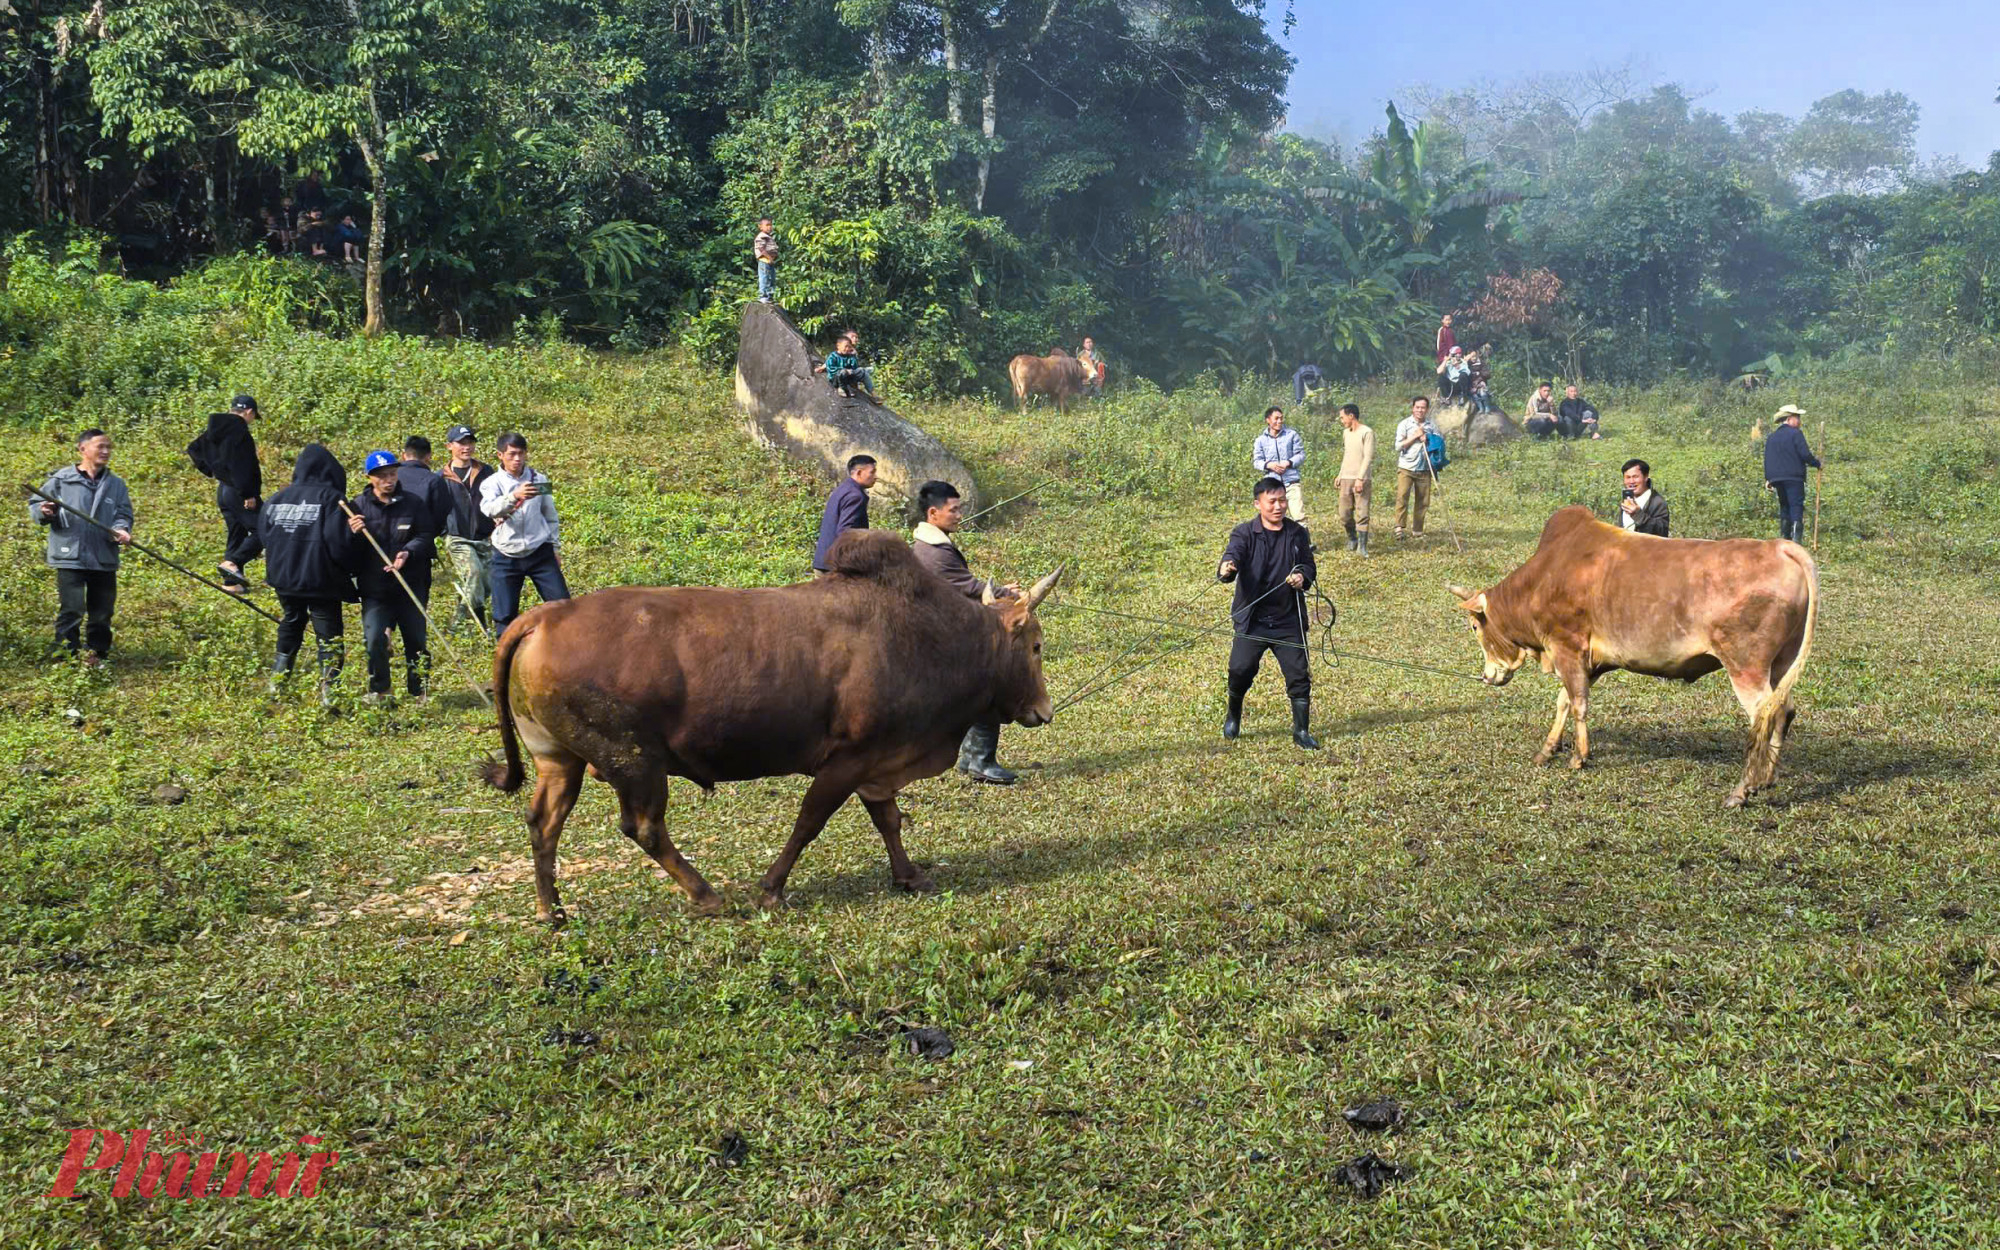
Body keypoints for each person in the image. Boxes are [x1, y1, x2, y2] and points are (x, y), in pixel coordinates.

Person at [910, 480, 1024, 784]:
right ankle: (982, 762)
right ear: (934, 513)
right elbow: (969, 588)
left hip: (937, 633)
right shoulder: (935, 554)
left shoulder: (930, 544)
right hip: (943, 638)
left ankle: (970, 758)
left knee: (973, 697)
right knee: (987, 692)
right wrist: (1006, 594)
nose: (959, 515)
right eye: (954, 510)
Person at [1217, 477, 1319, 750]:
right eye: (1272, 501)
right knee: (1240, 670)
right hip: (1253, 620)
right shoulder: (1244, 533)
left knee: (1299, 675)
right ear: (1258, 504)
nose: (1278, 506)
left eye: (1282, 500)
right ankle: (1233, 716)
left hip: (1288, 620)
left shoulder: (1298, 533)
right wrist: (1228, 567)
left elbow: (1309, 566)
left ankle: (1301, 732)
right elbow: (1232, 556)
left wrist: (1302, 576)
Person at [260, 444, 358, 707]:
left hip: (284, 579)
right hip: (320, 580)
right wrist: (351, 572)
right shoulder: (332, 499)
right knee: (329, 636)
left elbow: (263, 535)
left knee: (291, 621)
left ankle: (277, 683)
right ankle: (330, 694)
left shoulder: (277, 499)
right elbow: (339, 543)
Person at [32, 429, 134, 665]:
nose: (106, 452)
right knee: (72, 609)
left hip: (103, 555)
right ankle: (65, 656)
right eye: (101, 446)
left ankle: (97, 655)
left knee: (102, 611)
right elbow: (37, 505)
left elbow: (123, 513)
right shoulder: (61, 480)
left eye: (109, 447)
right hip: (70, 554)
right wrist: (44, 511)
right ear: (82, 449)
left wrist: (121, 529)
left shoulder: (116, 485)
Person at [349, 450, 436, 705]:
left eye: (393, 474)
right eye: (383, 476)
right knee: (375, 638)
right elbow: (346, 550)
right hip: (375, 588)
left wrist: (407, 552)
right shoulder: (357, 507)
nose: (389, 480)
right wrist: (352, 533)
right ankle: (381, 689)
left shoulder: (413, 503)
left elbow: (425, 535)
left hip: (410, 584)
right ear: (369, 477)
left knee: (416, 639)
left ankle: (418, 690)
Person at [480, 432, 570, 637]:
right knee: (504, 615)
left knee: (563, 606)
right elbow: (490, 510)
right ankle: (506, 659)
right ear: (500, 455)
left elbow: (550, 515)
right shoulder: (491, 483)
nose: (517, 459)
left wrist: (554, 547)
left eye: (520, 453)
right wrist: (514, 496)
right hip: (506, 555)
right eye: (511, 454)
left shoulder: (539, 480)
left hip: (539, 552)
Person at [186, 394, 264, 593]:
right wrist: (248, 493)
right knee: (264, 528)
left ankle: (232, 584)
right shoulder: (239, 431)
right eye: (253, 416)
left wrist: (212, 470)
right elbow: (241, 465)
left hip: (223, 489)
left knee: (237, 531)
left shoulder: (216, 429)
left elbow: (193, 448)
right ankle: (233, 563)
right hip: (238, 490)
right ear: (249, 412)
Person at [438, 424, 496, 634]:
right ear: (449, 446)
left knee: (488, 583)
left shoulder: (486, 471)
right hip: (458, 537)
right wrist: (445, 531)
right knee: (474, 573)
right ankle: (469, 624)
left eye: (470, 442)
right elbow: (435, 507)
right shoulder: (441, 477)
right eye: (461, 443)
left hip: (485, 536)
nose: (467, 447)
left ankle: (463, 619)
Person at [1763, 404, 1821, 543]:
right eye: (1797, 418)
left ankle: (1785, 538)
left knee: (1784, 506)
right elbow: (1805, 454)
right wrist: (1817, 463)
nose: (1799, 421)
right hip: (1793, 477)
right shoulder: (1796, 433)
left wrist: (1769, 478)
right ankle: (1796, 542)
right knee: (1796, 505)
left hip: (1776, 478)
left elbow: (1767, 459)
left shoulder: (1772, 437)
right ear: (1789, 419)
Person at [813, 454, 877, 574]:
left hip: (824, 562)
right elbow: (846, 532)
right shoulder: (855, 495)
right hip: (835, 568)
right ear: (859, 473)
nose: (875, 477)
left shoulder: (843, 489)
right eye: (872, 472)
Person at [1393, 397, 1438, 540]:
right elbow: (1398, 446)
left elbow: (1439, 444)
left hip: (1425, 467)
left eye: (1423, 407)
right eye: (1417, 407)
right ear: (1413, 408)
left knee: (1423, 500)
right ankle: (1399, 527)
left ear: (1427, 409)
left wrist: (1428, 438)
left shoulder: (1431, 425)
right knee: (1402, 496)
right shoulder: (1404, 424)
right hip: (1407, 466)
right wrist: (1414, 436)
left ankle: (1418, 530)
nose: (1420, 410)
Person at [1252, 406, 1307, 522]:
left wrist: (1289, 462)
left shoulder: (1292, 435)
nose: (1279, 421)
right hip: (1273, 486)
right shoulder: (1260, 440)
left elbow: (1301, 455)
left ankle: (1305, 540)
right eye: (1276, 418)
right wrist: (1269, 465)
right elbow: (1256, 461)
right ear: (1268, 420)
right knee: (1275, 518)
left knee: (1299, 517)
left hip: (1291, 482)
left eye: (1281, 418)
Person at [1334, 403, 1374, 557]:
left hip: (1361, 479)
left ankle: (1362, 546)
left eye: (1342, 417)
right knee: (1344, 513)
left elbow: (1368, 457)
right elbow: (1347, 455)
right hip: (1346, 478)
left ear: (1351, 416)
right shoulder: (1346, 433)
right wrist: (1340, 474)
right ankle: (1352, 537)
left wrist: (1360, 478)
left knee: (1362, 511)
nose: (1341, 420)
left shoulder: (1367, 432)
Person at [397, 434, 453, 539]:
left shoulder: (390, 477)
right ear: (429, 456)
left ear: (404, 455)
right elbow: (441, 514)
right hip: (422, 542)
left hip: (390, 540)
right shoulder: (435, 480)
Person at [824, 331, 880, 404]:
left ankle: (873, 395)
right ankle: (841, 389)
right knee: (843, 372)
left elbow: (855, 367)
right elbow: (831, 369)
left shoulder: (850, 356)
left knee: (862, 371)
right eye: (846, 346)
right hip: (837, 378)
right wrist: (845, 370)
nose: (847, 349)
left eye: (849, 347)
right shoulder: (833, 356)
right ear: (838, 346)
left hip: (848, 377)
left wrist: (853, 358)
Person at [1618, 459, 1669, 537]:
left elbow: (1662, 532)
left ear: (1646, 477)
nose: (1631, 481)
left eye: (1635, 477)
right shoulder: (1626, 500)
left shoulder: (1657, 502)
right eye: (1628, 477)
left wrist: (1638, 515)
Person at [754, 217, 778, 304]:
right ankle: (763, 296)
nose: (769, 227)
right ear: (761, 227)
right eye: (767, 225)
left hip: (769, 261)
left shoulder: (768, 236)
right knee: (764, 278)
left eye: (770, 225)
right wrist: (769, 258)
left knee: (771, 278)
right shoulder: (761, 236)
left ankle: (770, 296)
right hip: (764, 260)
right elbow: (761, 249)